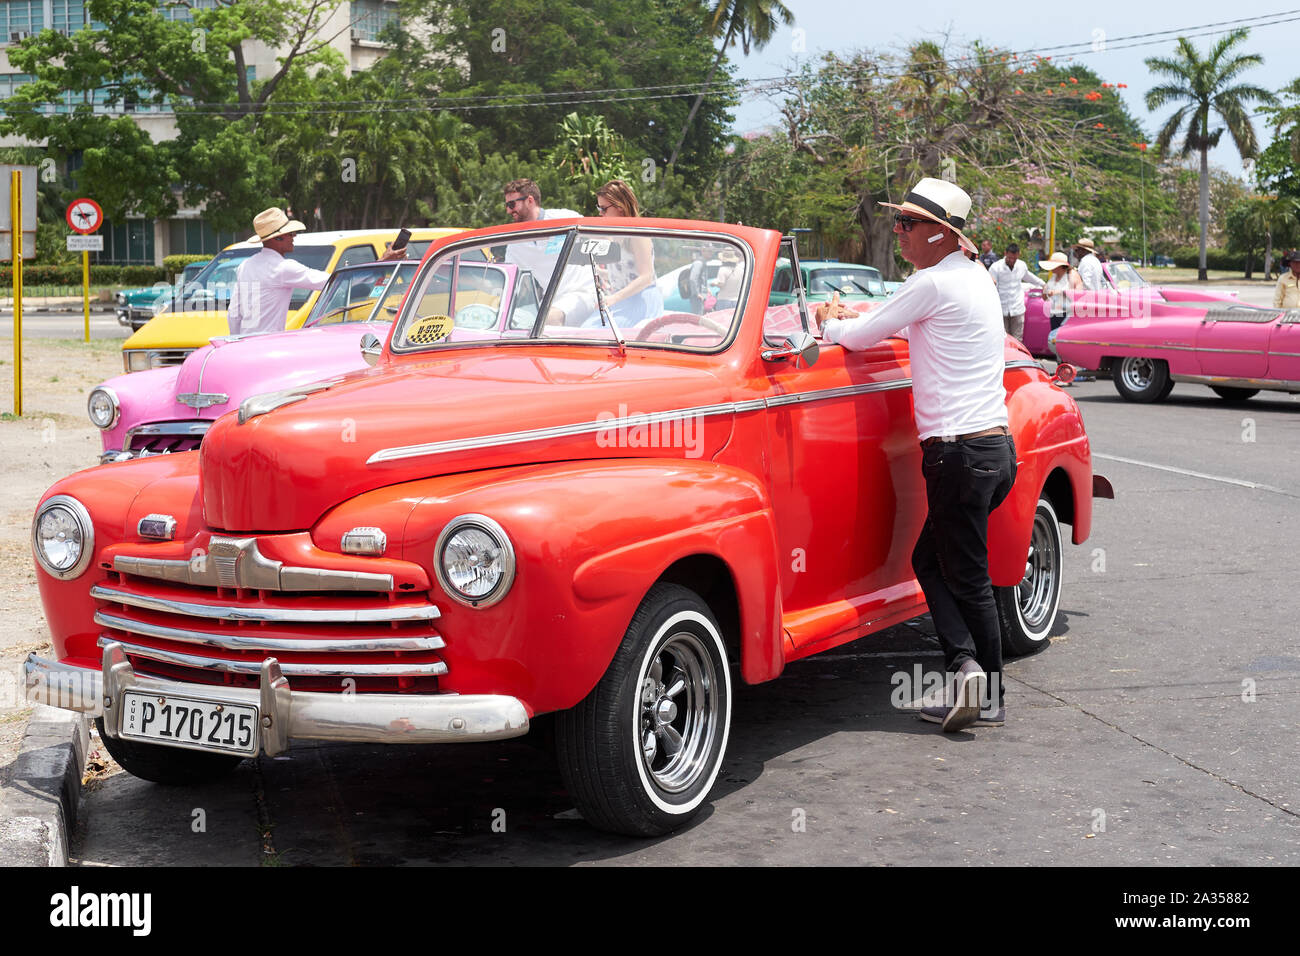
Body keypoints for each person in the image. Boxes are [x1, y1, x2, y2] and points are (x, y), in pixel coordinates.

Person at [814, 177, 1016, 732]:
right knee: (936, 562)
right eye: (897, 221)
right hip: (995, 451)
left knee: (965, 575)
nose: (897, 231)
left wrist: (825, 322)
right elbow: (897, 319)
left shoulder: (932, 284)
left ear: (940, 234)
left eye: (907, 224)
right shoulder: (971, 278)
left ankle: (982, 684)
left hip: (959, 453)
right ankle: (970, 668)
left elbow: (859, 336)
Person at [227, 208, 331, 336]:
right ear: (278, 238)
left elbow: (234, 313)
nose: (294, 236)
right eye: (290, 233)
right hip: (269, 345)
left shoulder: (245, 266)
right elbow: (331, 282)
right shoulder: (283, 268)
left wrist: (238, 341)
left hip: (245, 344)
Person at [500, 178, 591, 325]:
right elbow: (512, 281)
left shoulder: (565, 218)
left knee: (548, 320)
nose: (508, 210)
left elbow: (601, 239)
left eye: (512, 204)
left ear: (530, 200)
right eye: (507, 205)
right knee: (510, 323)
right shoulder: (515, 243)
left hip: (583, 293)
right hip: (550, 300)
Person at [589, 179, 663, 324]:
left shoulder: (637, 235)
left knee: (593, 330)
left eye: (604, 209)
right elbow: (626, 271)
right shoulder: (615, 234)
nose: (600, 214)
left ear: (620, 207)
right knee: (587, 327)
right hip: (624, 300)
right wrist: (599, 272)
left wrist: (613, 299)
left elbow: (646, 277)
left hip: (641, 301)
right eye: (599, 209)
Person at [987, 243, 1044, 342]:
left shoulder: (1021, 265)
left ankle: (1016, 357)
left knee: (1017, 339)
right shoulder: (996, 267)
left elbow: (1029, 277)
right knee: (1003, 339)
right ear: (1005, 254)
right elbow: (991, 287)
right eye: (1009, 258)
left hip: (1017, 308)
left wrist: (1044, 285)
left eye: (1014, 258)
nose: (1012, 260)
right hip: (1001, 308)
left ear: (1018, 255)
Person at [1040, 251, 1083, 365]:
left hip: (1067, 314)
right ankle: (1061, 369)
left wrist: (1059, 292)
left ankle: (1067, 370)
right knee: (1056, 344)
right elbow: (1045, 297)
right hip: (1055, 314)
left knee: (1065, 344)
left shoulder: (1071, 276)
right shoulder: (1053, 278)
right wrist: (1045, 291)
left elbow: (1079, 293)